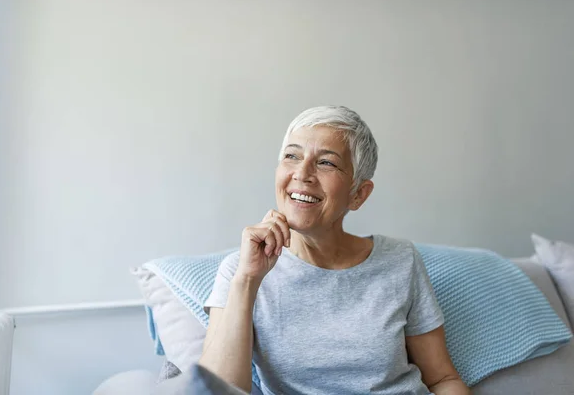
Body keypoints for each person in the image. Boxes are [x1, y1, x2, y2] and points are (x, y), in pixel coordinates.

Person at [198, 106, 469, 395]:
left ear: (358, 194)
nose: (302, 174)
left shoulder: (401, 259)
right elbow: (219, 391)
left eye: (326, 163)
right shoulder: (240, 271)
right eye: (292, 156)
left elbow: (442, 380)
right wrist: (247, 280)